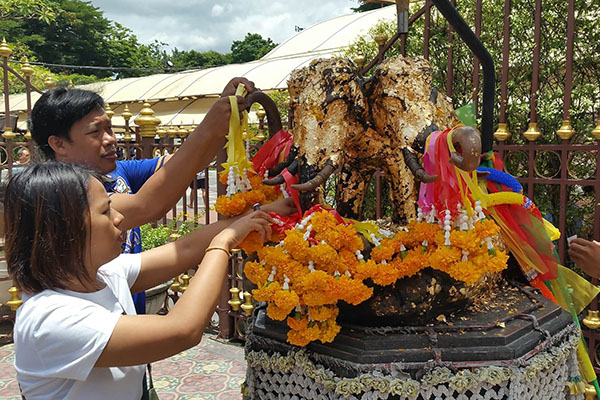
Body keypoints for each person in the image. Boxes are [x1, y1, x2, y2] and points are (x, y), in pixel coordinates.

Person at [6, 162, 274, 400]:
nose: (119, 218)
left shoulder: (102, 274)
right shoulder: (50, 318)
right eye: (105, 211)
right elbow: (182, 330)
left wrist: (266, 213)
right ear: (64, 229)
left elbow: (186, 250)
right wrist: (223, 244)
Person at [29, 81, 296, 313]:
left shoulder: (117, 171)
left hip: (127, 304)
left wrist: (222, 117)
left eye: (109, 129)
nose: (111, 139)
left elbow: (187, 163)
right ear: (59, 144)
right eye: (94, 132)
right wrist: (208, 126)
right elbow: (147, 206)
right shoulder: (62, 199)